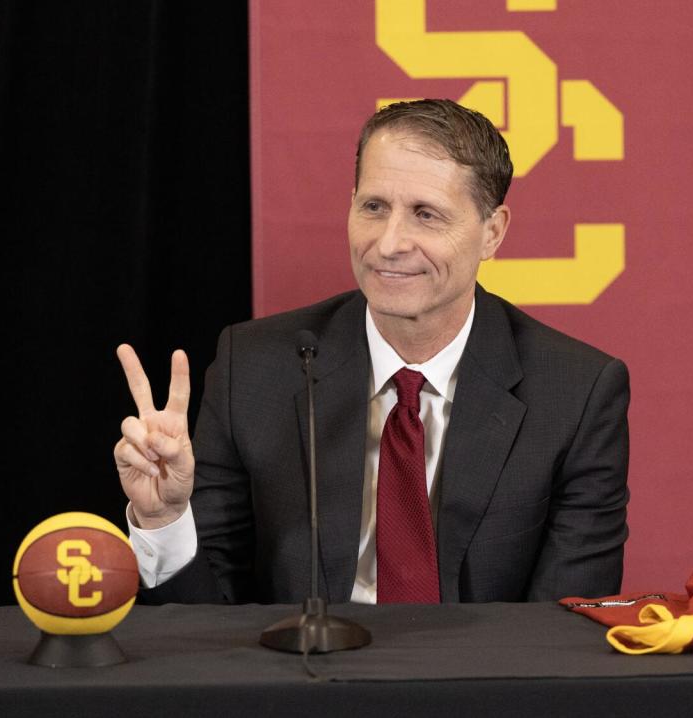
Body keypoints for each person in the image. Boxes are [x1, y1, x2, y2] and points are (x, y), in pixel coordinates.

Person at [114, 99, 630, 605]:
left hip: (483, 686)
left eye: (426, 215)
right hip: (302, 683)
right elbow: (204, 629)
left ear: (492, 233)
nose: (389, 243)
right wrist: (165, 521)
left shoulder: (577, 394)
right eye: (374, 207)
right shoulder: (254, 368)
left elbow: (563, 632)